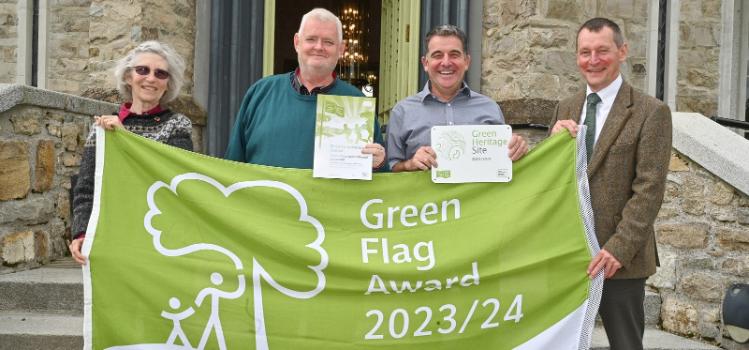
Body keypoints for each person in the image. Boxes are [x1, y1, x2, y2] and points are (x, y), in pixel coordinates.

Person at [549, 18, 672, 350]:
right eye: (585, 52)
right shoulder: (567, 107)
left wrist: (618, 248)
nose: (593, 60)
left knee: (625, 344)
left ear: (622, 51)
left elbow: (649, 188)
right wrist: (551, 144)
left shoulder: (651, 111)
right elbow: (554, 180)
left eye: (602, 50)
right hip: (570, 253)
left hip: (620, 258)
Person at [69, 41, 193, 265]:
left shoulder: (178, 125)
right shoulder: (103, 129)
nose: (151, 78)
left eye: (161, 73)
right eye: (142, 70)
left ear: (168, 84)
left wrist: (124, 138)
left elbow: (173, 178)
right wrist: (81, 233)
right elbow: (86, 190)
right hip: (112, 235)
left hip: (160, 237)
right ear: (128, 77)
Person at [225, 8, 386, 170]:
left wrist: (377, 164)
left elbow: (378, 185)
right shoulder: (260, 93)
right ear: (297, 42)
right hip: (263, 195)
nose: (319, 47)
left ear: (341, 49)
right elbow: (231, 167)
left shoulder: (356, 103)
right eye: (311, 39)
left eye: (328, 42)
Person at [386, 24, 528, 172]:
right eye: (437, 55)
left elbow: (505, 165)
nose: (446, 62)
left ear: (466, 62)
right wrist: (410, 164)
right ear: (425, 63)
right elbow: (389, 170)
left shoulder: (490, 108)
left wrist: (517, 149)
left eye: (454, 55)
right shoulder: (402, 112)